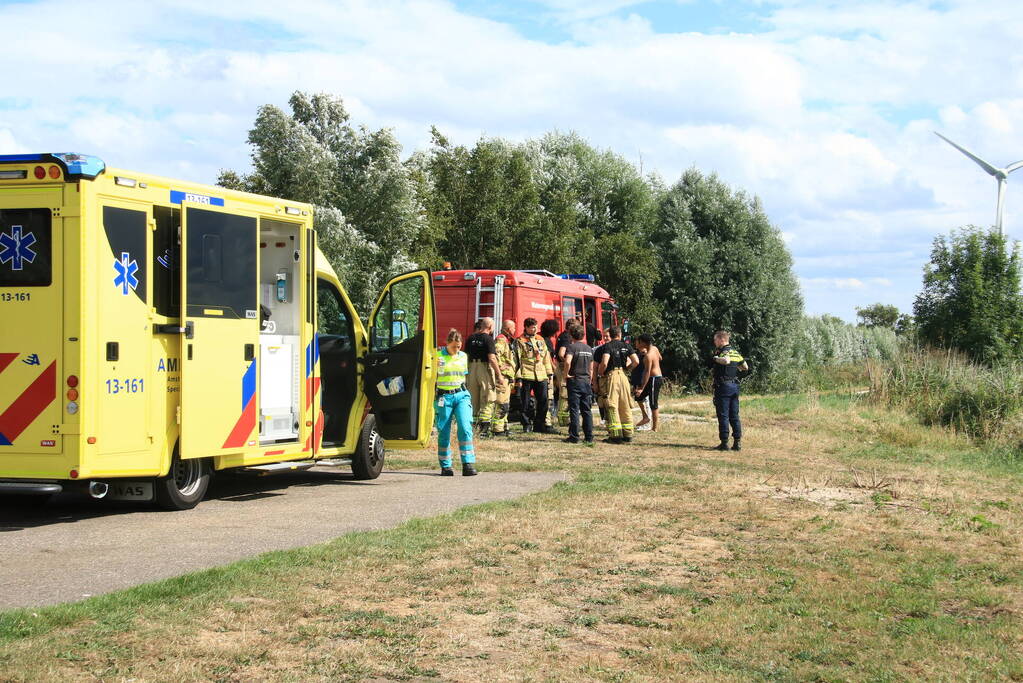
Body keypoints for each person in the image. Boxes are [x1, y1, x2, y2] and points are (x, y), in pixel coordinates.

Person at [435, 329, 477, 476]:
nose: (457, 349)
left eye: (459, 346)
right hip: (444, 397)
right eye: (454, 346)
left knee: (465, 428)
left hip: (461, 395)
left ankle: (468, 464)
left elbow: (463, 376)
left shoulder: (463, 356)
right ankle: (446, 466)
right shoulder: (438, 356)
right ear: (447, 343)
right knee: (444, 432)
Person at [596, 326, 640, 444]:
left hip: (612, 376)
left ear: (610, 334)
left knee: (612, 404)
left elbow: (605, 362)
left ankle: (615, 436)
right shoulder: (626, 346)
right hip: (624, 376)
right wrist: (627, 369)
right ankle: (628, 434)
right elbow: (636, 361)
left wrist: (600, 373)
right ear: (620, 335)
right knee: (625, 404)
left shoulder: (608, 346)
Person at [465, 317, 506, 438]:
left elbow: (465, 356)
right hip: (484, 368)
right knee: (488, 397)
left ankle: (472, 429)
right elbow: (492, 358)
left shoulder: (470, 338)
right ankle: (483, 430)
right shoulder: (488, 339)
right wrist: (499, 375)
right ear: (490, 327)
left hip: (471, 368)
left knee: (473, 399)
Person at [514, 317, 556, 434]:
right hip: (526, 374)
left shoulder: (540, 339)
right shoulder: (520, 341)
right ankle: (526, 424)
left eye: (536, 326)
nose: (535, 329)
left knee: (543, 401)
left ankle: (539, 424)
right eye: (532, 327)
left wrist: (549, 373)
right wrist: (518, 377)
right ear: (526, 327)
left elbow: (546, 358)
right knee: (525, 402)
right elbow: (517, 360)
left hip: (541, 375)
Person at [710, 330, 749, 451]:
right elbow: (745, 367)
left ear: (722, 340)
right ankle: (737, 442)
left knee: (723, 415)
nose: (714, 342)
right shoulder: (735, 352)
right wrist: (734, 367)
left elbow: (726, 361)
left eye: (716, 340)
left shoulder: (724, 352)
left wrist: (716, 359)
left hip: (723, 387)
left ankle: (724, 443)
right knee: (734, 415)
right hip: (734, 386)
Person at [562, 325, 595, 444]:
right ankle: (589, 436)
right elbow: (591, 368)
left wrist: (566, 374)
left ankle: (574, 436)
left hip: (575, 381)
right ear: (583, 335)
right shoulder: (589, 348)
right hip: (586, 381)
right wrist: (590, 379)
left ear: (571, 335)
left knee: (574, 409)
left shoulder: (571, 347)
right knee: (587, 410)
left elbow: (567, 361)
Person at [634, 334, 665, 432]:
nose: (637, 344)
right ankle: (645, 417)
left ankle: (654, 428)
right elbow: (660, 358)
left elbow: (647, 373)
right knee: (638, 396)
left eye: (638, 341)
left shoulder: (648, 356)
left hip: (654, 379)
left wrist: (642, 387)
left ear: (643, 343)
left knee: (653, 403)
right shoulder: (654, 348)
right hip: (653, 378)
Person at [492, 319, 517, 437]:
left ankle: (504, 426)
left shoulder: (508, 340)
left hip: (508, 376)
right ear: (508, 329)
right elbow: (495, 354)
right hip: (503, 376)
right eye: (513, 328)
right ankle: (497, 429)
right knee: (501, 402)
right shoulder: (501, 340)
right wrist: (501, 367)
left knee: (506, 403)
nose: (515, 330)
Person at [592, 329, 611, 426]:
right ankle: (604, 418)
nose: (606, 338)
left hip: (614, 379)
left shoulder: (618, 347)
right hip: (602, 378)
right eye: (605, 336)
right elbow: (594, 368)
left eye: (608, 336)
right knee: (601, 400)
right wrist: (594, 383)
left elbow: (629, 360)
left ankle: (611, 419)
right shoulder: (599, 350)